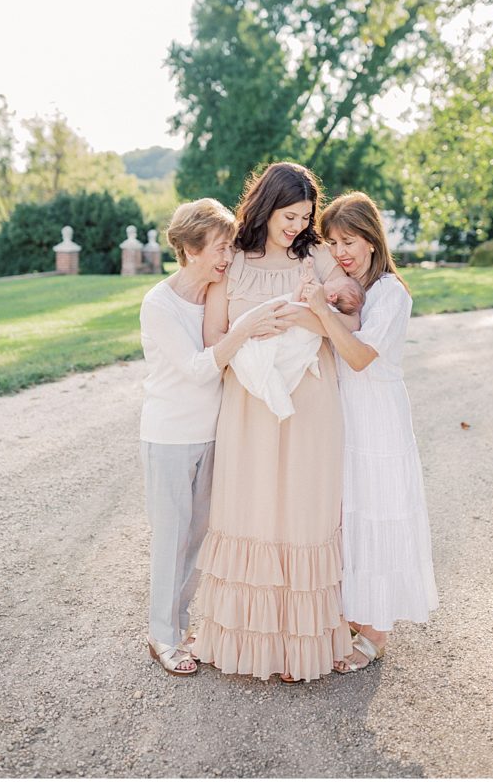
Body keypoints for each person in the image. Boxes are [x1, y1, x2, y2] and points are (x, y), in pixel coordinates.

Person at [191, 163, 357, 682]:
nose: (296, 226)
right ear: (266, 206)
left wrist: (309, 318)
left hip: (310, 402)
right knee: (252, 509)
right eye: (290, 215)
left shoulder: (319, 257)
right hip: (249, 406)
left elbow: (351, 320)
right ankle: (242, 639)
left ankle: (303, 644)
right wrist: (250, 327)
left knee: (304, 510)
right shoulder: (232, 262)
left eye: (305, 217)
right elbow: (212, 337)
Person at [140, 198, 292, 677]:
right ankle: (161, 636)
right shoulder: (159, 304)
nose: (228, 257)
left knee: (198, 538)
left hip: (212, 436)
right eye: (220, 248)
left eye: (230, 247)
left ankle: (179, 626)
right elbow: (196, 369)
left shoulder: (212, 295)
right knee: (172, 537)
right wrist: (243, 330)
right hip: (169, 436)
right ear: (189, 248)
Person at [302, 191, 438, 672]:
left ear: (372, 239)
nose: (341, 251)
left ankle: (376, 633)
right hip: (345, 419)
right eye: (334, 241)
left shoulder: (389, 293)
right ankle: (355, 614)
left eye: (350, 240)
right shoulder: (349, 290)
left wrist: (320, 311)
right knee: (349, 517)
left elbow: (359, 357)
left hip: (378, 419)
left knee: (377, 513)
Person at [229, 259, 365, 421]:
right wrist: (307, 272)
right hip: (289, 335)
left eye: (333, 282)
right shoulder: (322, 302)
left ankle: (277, 391)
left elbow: (295, 303)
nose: (329, 280)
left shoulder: (321, 306)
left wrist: (300, 310)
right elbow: (300, 297)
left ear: (332, 296)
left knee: (265, 354)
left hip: (292, 339)